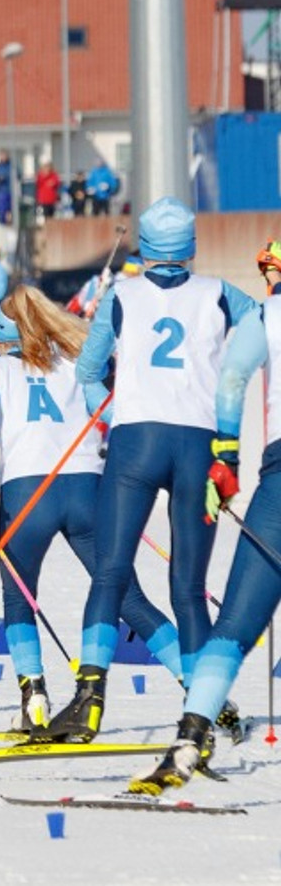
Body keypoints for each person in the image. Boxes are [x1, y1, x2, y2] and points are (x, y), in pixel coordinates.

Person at [50, 198, 259, 742]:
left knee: (111, 572)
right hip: (200, 445)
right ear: (191, 248)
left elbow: (90, 373)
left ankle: (88, 701)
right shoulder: (219, 293)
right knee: (188, 588)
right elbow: (265, 327)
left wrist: (118, 415)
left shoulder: (120, 294)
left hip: (136, 443)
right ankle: (200, 713)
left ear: (144, 248)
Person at [0, 287, 185, 734]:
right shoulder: (79, 367)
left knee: (18, 597)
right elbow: (113, 413)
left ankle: (34, 699)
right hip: (88, 492)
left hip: (28, 495)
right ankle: (201, 688)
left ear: (6, 337)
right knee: (129, 598)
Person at [132, 239, 281, 793]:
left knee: (234, 630)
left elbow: (232, 383)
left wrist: (225, 461)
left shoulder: (266, 314)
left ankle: (188, 742)